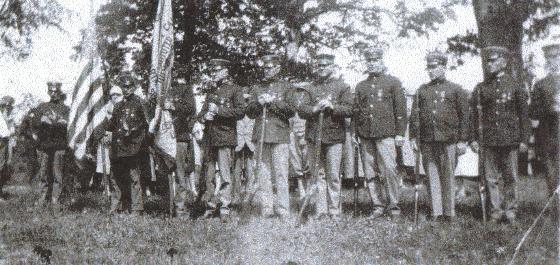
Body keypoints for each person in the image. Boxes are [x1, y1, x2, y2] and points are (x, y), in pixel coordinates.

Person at [470, 46, 530, 225]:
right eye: (488, 61)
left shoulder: (515, 85)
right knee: (490, 178)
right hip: (488, 140)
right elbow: (474, 115)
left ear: (503, 62)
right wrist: (473, 138)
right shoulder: (481, 88)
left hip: (510, 139)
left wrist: (524, 139)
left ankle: (510, 210)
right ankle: (495, 211)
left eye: (493, 61)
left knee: (510, 177)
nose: (489, 64)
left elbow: (523, 115)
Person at [409, 51, 469, 222]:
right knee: (432, 175)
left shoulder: (455, 89)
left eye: (434, 67)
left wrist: (463, 140)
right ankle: (436, 212)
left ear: (444, 67)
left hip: (449, 139)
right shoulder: (422, 90)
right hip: (428, 140)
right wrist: (413, 137)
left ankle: (449, 213)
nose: (430, 71)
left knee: (448, 175)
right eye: (429, 67)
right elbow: (415, 115)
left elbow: (465, 116)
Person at [353, 48, 407, 219]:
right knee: (370, 172)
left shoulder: (393, 82)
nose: (372, 63)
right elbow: (357, 110)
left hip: (386, 134)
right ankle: (377, 205)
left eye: (375, 60)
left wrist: (400, 133)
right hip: (365, 134)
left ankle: (394, 206)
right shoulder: (362, 86)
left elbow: (401, 110)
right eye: (369, 61)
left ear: (382, 62)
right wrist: (355, 133)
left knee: (390, 170)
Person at [297, 53, 353, 219]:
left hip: (334, 136)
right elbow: (301, 110)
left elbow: (350, 109)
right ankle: (321, 210)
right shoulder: (310, 88)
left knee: (333, 175)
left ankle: (334, 210)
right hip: (314, 136)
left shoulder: (342, 87)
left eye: (325, 65)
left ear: (332, 67)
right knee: (318, 174)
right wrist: (314, 109)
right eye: (319, 65)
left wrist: (332, 106)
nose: (322, 68)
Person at [246, 54, 296, 219]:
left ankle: (283, 209)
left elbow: (291, 110)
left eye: (270, 67)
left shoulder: (287, 87)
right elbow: (250, 112)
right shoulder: (257, 88)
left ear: (277, 68)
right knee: (263, 174)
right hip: (261, 135)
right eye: (265, 68)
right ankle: (267, 209)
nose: (266, 71)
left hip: (279, 135)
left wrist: (273, 102)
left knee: (281, 174)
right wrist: (259, 103)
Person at [198, 58, 244, 218]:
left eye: (216, 71)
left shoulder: (235, 90)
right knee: (209, 175)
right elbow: (201, 114)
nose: (213, 74)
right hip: (209, 138)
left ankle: (225, 206)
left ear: (226, 72)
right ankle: (210, 206)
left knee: (225, 174)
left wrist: (219, 111)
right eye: (212, 72)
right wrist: (205, 117)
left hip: (225, 137)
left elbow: (240, 112)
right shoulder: (211, 92)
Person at [106, 73, 150, 215]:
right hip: (119, 147)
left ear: (134, 87)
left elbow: (147, 124)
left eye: (129, 86)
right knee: (117, 177)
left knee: (134, 177)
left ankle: (137, 208)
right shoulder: (118, 105)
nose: (126, 89)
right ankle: (118, 207)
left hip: (134, 146)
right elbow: (111, 124)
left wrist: (133, 131)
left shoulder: (140, 103)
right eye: (124, 87)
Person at [529, 43, 560, 197]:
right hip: (547, 134)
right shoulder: (541, 84)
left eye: (556, 56)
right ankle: (555, 206)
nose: (553, 60)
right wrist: (550, 109)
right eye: (549, 57)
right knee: (550, 172)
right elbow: (533, 111)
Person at [33, 82, 70, 208]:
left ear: (60, 92)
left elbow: (67, 125)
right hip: (44, 146)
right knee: (43, 175)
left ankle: (56, 201)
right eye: (51, 91)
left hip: (59, 146)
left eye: (56, 91)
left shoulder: (66, 109)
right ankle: (42, 200)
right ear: (48, 92)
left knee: (57, 175)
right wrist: (48, 121)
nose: (53, 94)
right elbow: (36, 123)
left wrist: (50, 122)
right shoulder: (42, 107)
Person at [167, 79, 196, 217]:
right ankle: (167, 206)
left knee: (180, 174)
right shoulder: (163, 89)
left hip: (180, 136)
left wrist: (174, 106)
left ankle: (180, 209)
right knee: (164, 173)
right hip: (164, 138)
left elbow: (191, 108)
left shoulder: (186, 89)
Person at [0, 96, 15, 201]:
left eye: (10, 105)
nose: (8, 107)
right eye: (6, 105)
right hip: (1, 142)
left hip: (6, 143)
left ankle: (1, 191)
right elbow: (5, 132)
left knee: (5, 167)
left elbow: (11, 132)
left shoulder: (9, 117)